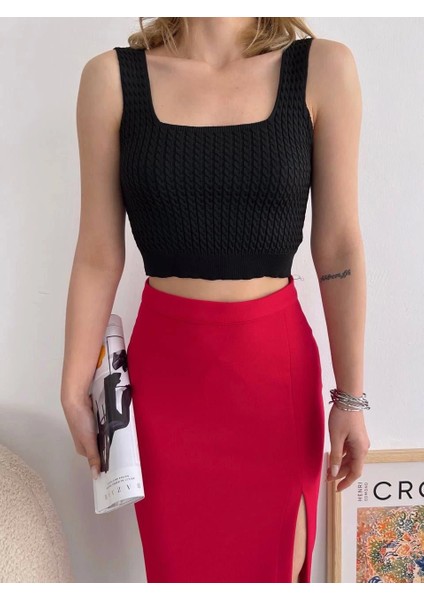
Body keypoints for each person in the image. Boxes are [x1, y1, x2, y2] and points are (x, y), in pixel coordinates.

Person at [61, 17, 371, 583]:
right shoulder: (110, 81)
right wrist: (74, 383)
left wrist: (350, 397)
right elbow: (99, 254)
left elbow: (338, 247)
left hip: (275, 386)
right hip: (165, 393)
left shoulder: (323, 69)